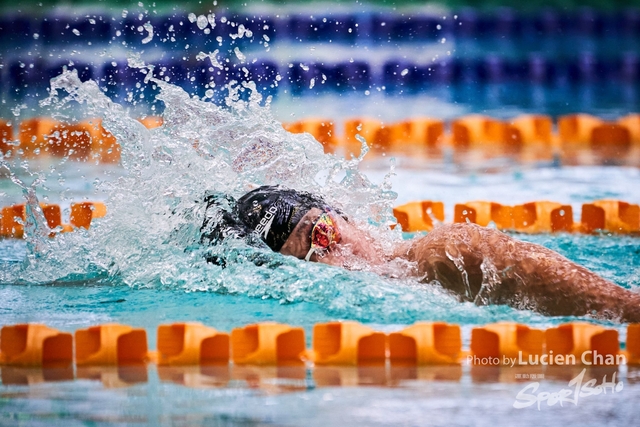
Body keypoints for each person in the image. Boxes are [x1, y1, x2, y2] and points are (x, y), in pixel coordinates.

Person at [201, 185, 640, 323]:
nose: (332, 256)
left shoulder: (447, 252)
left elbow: (621, 309)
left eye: (324, 232)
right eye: (313, 256)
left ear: (344, 215)